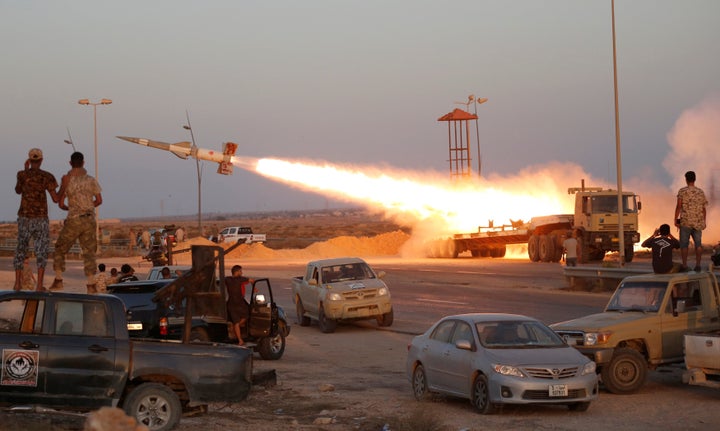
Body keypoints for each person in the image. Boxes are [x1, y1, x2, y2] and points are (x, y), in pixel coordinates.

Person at [49, 151, 103, 293]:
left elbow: (60, 204)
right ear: (83, 163)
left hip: (74, 220)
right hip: (89, 219)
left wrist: (72, 207)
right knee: (89, 252)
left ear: (70, 163)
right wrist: (87, 206)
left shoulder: (67, 180)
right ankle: (91, 284)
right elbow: (99, 200)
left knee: (60, 248)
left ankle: (59, 280)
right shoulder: (91, 180)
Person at [13, 148, 59, 291]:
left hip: (25, 217)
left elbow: (18, 190)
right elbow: (55, 199)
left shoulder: (21, 175)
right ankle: (39, 285)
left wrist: (25, 170)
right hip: (40, 218)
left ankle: (17, 283)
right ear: (41, 160)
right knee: (41, 251)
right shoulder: (47, 176)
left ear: (29, 160)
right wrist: (63, 187)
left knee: (21, 248)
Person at [674, 171, 708, 271]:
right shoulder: (700, 192)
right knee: (698, 244)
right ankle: (698, 265)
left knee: (684, 245)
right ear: (695, 179)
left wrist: (675, 220)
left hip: (685, 222)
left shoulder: (682, 191)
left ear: (686, 179)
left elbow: (679, 206)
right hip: (698, 222)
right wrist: (704, 221)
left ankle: (684, 265)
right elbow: (704, 209)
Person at [225, 265, 251, 345]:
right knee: (247, 315)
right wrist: (254, 286)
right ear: (237, 272)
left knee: (235, 322)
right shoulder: (240, 279)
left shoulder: (227, 279)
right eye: (240, 271)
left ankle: (240, 340)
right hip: (239, 304)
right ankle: (237, 328)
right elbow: (251, 280)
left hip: (231, 304)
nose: (241, 272)